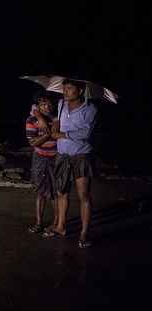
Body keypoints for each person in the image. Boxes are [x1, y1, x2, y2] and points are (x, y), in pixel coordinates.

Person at [44, 78, 97, 248]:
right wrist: (41, 119)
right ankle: (61, 226)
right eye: (64, 88)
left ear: (80, 91)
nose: (64, 91)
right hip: (63, 154)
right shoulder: (60, 104)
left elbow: (86, 132)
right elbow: (35, 107)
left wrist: (61, 135)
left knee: (83, 195)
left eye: (69, 88)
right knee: (61, 192)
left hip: (81, 154)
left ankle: (84, 232)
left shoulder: (90, 108)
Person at [26, 91, 58, 233]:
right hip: (39, 157)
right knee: (40, 191)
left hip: (57, 157)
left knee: (57, 192)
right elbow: (32, 142)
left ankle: (57, 222)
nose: (47, 107)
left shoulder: (58, 117)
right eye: (43, 104)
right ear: (37, 106)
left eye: (50, 103)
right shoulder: (32, 120)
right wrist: (48, 133)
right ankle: (39, 222)